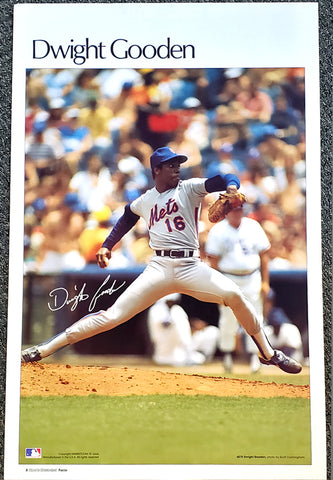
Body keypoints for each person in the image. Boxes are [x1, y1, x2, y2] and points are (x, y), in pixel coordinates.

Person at [21, 147, 302, 374]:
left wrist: (230, 188)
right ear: (156, 170)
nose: (176, 167)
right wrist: (107, 245)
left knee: (235, 295)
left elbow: (224, 177)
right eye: (170, 165)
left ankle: (268, 354)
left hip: (191, 266)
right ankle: (44, 349)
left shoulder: (190, 188)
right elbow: (127, 218)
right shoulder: (145, 199)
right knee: (112, 316)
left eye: (178, 163)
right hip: (158, 267)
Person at [205, 205, 271, 373]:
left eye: (240, 209)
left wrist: (265, 282)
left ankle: (255, 357)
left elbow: (264, 256)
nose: (238, 213)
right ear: (227, 212)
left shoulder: (253, 226)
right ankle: (227, 355)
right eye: (234, 210)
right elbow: (213, 261)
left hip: (252, 277)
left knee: (256, 316)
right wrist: (216, 285)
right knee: (228, 318)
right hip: (229, 277)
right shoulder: (218, 230)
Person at [147, 294, 218, 366]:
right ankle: (188, 357)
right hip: (165, 347)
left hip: (181, 346)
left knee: (212, 331)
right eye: (170, 301)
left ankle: (198, 355)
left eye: (174, 301)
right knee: (179, 360)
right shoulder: (157, 309)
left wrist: (194, 325)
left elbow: (182, 324)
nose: (172, 303)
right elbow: (165, 324)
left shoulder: (176, 309)